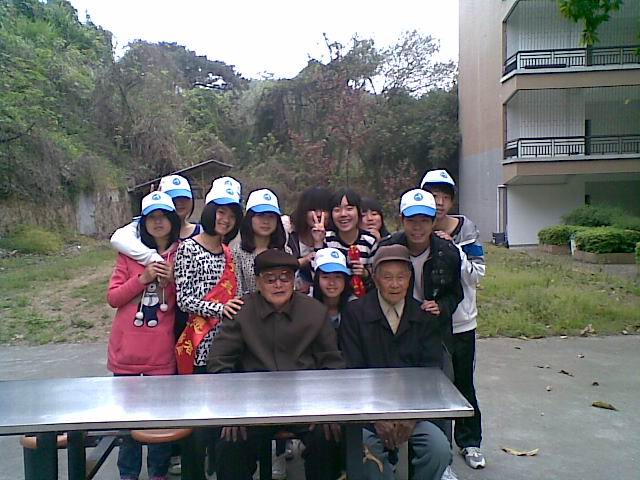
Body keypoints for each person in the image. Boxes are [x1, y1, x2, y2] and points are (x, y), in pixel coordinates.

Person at [207, 249, 345, 480]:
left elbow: (331, 362)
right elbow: (219, 363)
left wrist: (326, 409)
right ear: (258, 282)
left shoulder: (315, 311)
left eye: (285, 278)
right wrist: (232, 411)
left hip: (307, 403)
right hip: (252, 405)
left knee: (329, 435)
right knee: (230, 442)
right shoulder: (242, 311)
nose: (278, 285)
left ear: (294, 281)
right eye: (270, 279)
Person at [339, 244, 451, 480]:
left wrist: (411, 417)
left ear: (410, 279)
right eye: (387, 277)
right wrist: (376, 418)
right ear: (375, 278)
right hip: (366, 414)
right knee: (369, 456)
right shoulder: (355, 313)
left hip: (414, 412)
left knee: (438, 450)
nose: (395, 284)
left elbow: (431, 373)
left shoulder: (423, 316)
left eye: (401, 277)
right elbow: (351, 372)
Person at [377, 188, 463, 480]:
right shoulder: (388, 247)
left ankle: (442, 462)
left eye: (424, 220)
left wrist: (442, 306)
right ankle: (391, 451)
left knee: (439, 391)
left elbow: (456, 293)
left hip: (433, 330)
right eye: (412, 220)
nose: (418, 227)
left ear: (433, 221)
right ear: (402, 220)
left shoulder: (447, 252)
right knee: (392, 388)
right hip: (396, 327)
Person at [106, 191, 181, 480]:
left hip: (160, 355)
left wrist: (173, 280)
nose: (158, 222)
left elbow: (186, 301)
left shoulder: (182, 254)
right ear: (143, 223)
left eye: (164, 217)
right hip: (126, 354)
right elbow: (114, 298)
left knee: (159, 422)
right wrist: (143, 278)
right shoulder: (129, 255)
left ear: (173, 221)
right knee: (128, 425)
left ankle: (158, 473)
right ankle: (128, 474)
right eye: (152, 217)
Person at [421, 169, 486, 470]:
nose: (439, 203)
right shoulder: (417, 226)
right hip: (428, 323)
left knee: (463, 383)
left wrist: (453, 250)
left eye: (445, 197)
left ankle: (470, 442)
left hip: (461, 322)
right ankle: (438, 450)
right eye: (433, 196)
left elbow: (477, 275)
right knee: (431, 387)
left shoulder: (466, 228)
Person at [174, 176, 244, 375]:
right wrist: (220, 309)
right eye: (221, 212)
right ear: (210, 211)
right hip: (200, 344)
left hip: (228, 343)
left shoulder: (229, 253)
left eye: (232, 216)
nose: (226, 220)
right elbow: (184, 300)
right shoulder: (188, 248)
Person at [110, 174, 200, 266]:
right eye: (172, 198)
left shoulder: (202, 232)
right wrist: (154, 260)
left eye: (184, 198)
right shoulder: (140, 228)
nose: (179, 203)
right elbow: (117, 239)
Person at [314, 188, 377, 297]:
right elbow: (315, 276)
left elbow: (376, 278)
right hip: (333, 299)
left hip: (362, 300)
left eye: (349, 209)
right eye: (337, 210)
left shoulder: (369, 241)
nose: (343, 214)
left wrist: (365, 273)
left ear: (359, 211)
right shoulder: (326, 239)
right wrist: (318, 243)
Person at [233, 188, 290, 296]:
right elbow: (238, 290)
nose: (266, 221)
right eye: (260, 215)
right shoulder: (238, 252)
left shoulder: (285, 251)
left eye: (271, 216)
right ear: (250, 218)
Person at [287, 186, 333, 294]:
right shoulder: (288, 233)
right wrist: (303, 261)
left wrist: (318, 242)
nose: (318, 215)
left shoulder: (333, 240)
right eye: (313, 210)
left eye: (323, 210)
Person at [312, 247, 353, 329]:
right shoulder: (307, 306)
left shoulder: (355, 307)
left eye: (338, 277)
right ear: (317, 279)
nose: (332, 283)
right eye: (325, 277)